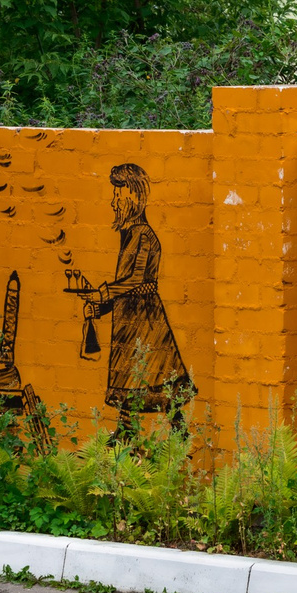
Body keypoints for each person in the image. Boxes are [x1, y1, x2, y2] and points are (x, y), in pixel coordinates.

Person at [81, 164, 194, 434]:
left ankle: (175, 436)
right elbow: (125, 285)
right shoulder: (130, 233)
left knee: (154, 379)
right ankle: (127, 435)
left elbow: (135, 280)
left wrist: (102, 294)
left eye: (117, 195)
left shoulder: (143, 234)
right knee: (135, 381)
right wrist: (100, 308)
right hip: (130, 317)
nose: (113, 202)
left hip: (144, 320)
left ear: (132, 195)